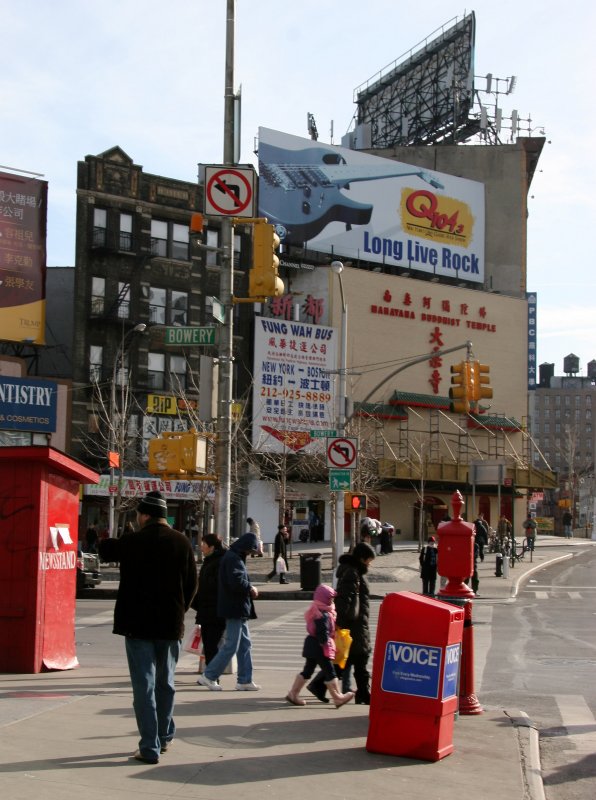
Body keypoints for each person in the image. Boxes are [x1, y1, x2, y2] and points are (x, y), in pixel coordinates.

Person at [98, 491, 197, 765]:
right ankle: (164, 737)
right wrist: (180, 609)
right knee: (165, 683)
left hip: (138, 626)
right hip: (170, 625)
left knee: (144, 686)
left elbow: (105, 549)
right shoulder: (182, 542)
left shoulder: (133, 541)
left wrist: (116, 530)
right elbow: (192, 585)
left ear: (144, 515)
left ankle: (149, 747)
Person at [306, 541, 376, 705]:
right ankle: (361, 694)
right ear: (362, 558)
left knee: (349, 660)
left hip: (356, 624)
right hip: (354, 626)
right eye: (368, 560)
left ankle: (321, 686)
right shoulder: (353, 574)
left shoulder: (353, 572)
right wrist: (342, 625)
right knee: (356, 658)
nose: (370, 564)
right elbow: (344, 602)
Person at [196, 532, 260, 692]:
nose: (250, 554)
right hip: (234, 607)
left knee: (244, 644)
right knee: (231, 645)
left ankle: (245, 679)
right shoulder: (233, 558)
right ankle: (209, 675)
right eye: (250, 551)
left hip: (237, 607)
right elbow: (236, 581)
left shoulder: (233, 556)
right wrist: (250, 588)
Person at [285, 584, 354, 708]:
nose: (332, 601)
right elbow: (323, 635)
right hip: (320, 647)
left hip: (311, 645)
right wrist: (330, 648)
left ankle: (293, 694)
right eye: (330, 599)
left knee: (307, 671)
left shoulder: (316, 609)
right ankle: (337, 697)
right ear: (325, 599)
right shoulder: (323, 615)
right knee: (330, 672)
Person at [190, 534, 226, 667]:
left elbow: (214, 585)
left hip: (214, 610)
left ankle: (212, 676)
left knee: (212, 645)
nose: (201, 548)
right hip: (206, 610)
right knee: (209, 645)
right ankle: (210, 675)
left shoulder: (219, 561)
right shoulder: (209, 560)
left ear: (211, 547)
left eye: (203, 545)